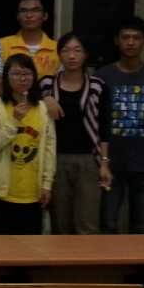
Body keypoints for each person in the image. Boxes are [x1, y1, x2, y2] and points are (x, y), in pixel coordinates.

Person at [96, 16, 144, 234]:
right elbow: (95, 118)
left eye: (136, 38)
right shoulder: (103, 76)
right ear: (117, 40)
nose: (130, 42)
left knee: (142, 226)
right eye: (125, 37)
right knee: (108, 224)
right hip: (110, 163)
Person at [39, 33, 112, 235]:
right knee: (60, 222)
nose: (72, 56)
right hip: (55, 159)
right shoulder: (46, 85)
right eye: (66, 50)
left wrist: (104, 163)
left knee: (87, 223)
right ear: (59, 54)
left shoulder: (98, 86)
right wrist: (45, 100)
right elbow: (30, 105)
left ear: (85, 54)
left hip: (88, 160)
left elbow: (105, 127)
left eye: (77, 50)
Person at [0, 53, 56, 235]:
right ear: (6, 78)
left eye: (27, 73)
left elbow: (50, 149)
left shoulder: (43, 109)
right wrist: (14, 120)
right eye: (16, 73)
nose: (22, 78)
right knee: (1, 246)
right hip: (1, 192)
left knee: (30, 247)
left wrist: (47, 184)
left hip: (33, 193)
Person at [0, 0, 59, 96]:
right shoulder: (3, 44)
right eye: (23, 11)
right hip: (10, 104)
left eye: (35, 10)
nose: (29, 15)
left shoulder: (57, 48)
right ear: (18, 16)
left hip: (46, 105)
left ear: (45, 16)